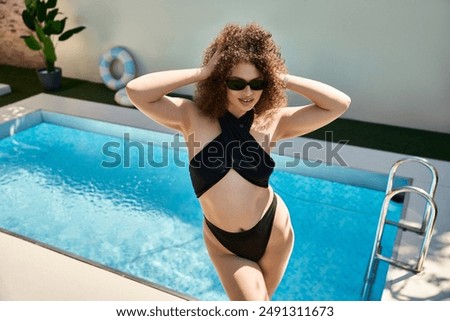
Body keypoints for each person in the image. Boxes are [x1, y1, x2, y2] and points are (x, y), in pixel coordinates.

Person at [126, 23, 351, 301]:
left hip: (273, 231)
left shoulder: (272, 120)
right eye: (237, 83)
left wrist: (279, 77)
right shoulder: (191, 116)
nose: (249, 92)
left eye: (258, 83)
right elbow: (136, 91)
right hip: (224, 244)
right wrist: (204, 72)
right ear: (220, 82)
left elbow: (339, 104)